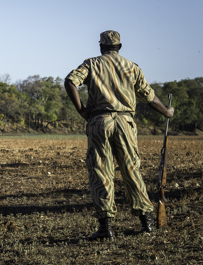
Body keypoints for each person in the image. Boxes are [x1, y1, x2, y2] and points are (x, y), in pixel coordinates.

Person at [64, 30, 174, 241]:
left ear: (100, 46)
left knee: (101, 170)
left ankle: (106, 228)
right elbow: (148, 96)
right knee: (131, 169)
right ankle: (146, 222)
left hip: (100, 121)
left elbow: (70, 81)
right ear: (120, 47)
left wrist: (81, 110)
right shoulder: (132, 67)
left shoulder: (91, 64)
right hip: (125, 122)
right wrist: (167, 112)